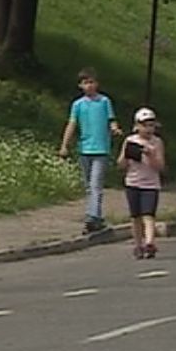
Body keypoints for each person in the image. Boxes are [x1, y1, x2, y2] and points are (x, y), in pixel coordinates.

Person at [59, 67, 122, 234]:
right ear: (80, 85)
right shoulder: (78, 105)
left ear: (97, 84)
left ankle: (92, 216)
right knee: (89, 186)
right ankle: (97, 218)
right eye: (86, 83)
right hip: (85, 149)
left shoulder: (104, 101)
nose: (89, 86)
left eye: (92, 82)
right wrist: (65, 145)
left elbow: (111, 120)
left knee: (96, 184)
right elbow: (72, 124)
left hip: (101, 149)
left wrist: (115, 129)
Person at [119, 107, 165, 259]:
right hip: (133, 182)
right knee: (135, 216)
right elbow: (121, 164)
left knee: (148, 214)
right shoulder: (130, 141)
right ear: (137, 126)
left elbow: (160, 166)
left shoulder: (157, 143)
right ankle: (138, 244)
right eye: (145, 125)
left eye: (151, 125)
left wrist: (150, 155)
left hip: (150, 184)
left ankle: (150, 243)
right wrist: (128, 156)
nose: (148, 129)